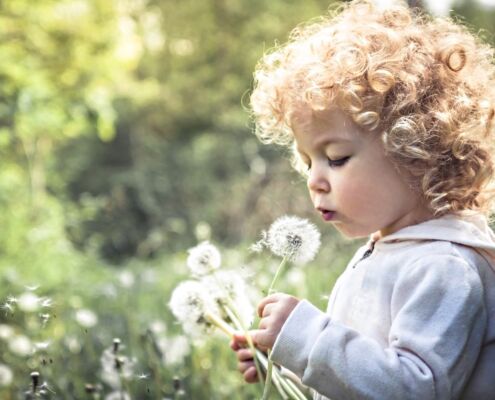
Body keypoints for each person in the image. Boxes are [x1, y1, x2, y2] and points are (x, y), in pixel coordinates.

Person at [230, 1, 495, 399]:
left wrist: (307, 340)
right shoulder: (393, 251)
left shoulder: (444, 268)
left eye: (335, 158)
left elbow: (411, 389)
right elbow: (367, 373)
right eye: (307, 163)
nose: (315, 181)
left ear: (415, 151)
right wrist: (289, 359)